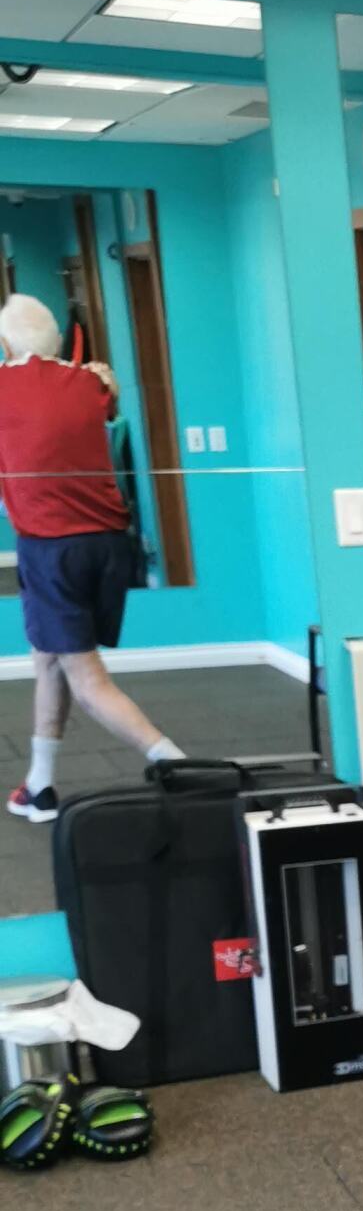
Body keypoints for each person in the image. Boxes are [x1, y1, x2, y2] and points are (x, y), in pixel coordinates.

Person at [0, 292, 181, 823]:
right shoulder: (92, 383)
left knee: (87, 679)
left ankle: (177, 764)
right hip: (106, 544)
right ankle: (39, 786)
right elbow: (103, 397)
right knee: (48, 658)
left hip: (52, 548)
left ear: (7, 344)